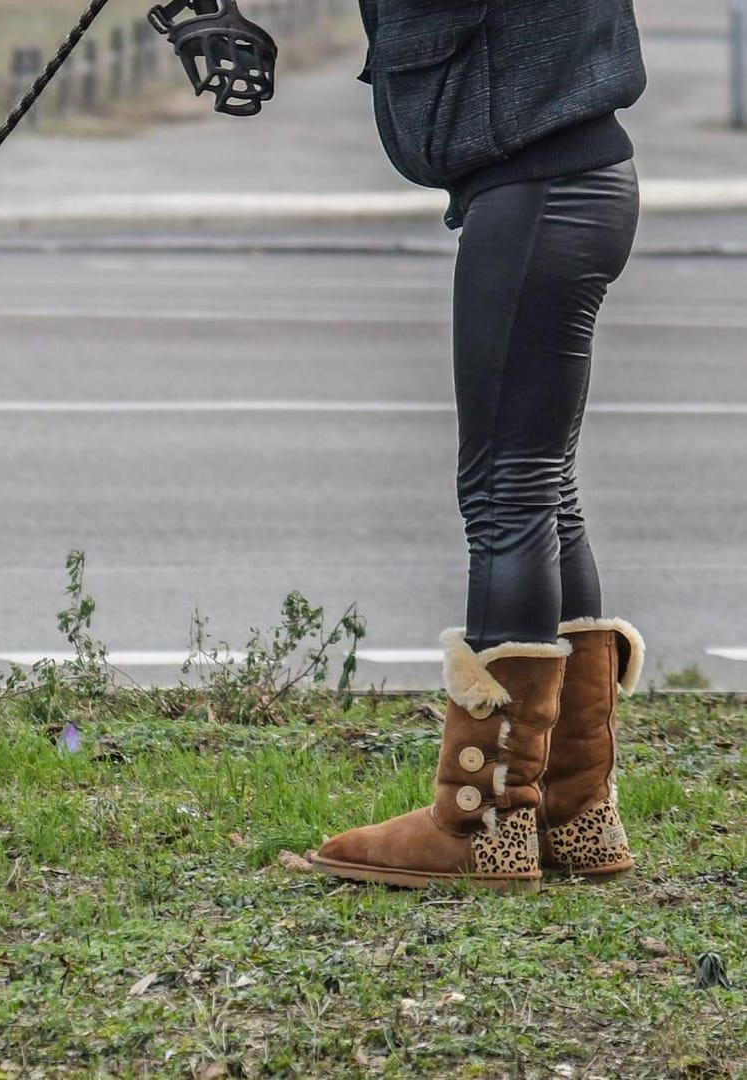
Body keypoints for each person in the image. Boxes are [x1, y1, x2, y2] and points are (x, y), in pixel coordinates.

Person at [307, 0, 649, 891]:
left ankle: (483, 821)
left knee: (506, 496)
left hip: (540, 194)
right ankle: (574, 811)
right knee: (541, 490)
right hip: (579, 181)